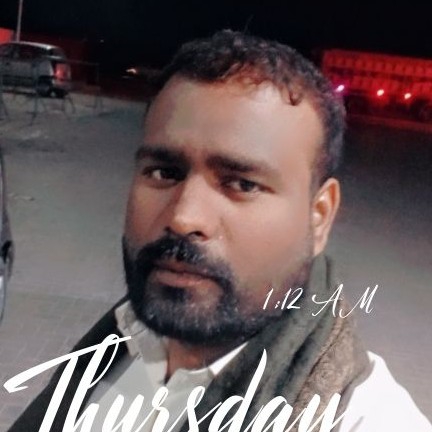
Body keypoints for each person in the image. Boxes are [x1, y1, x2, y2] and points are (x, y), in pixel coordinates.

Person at [7, 30, 431, 431]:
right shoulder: (123, 337)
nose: (183, 218)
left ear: (319, 216)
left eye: (242, 184)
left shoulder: (363, 417)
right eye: (164, 172)